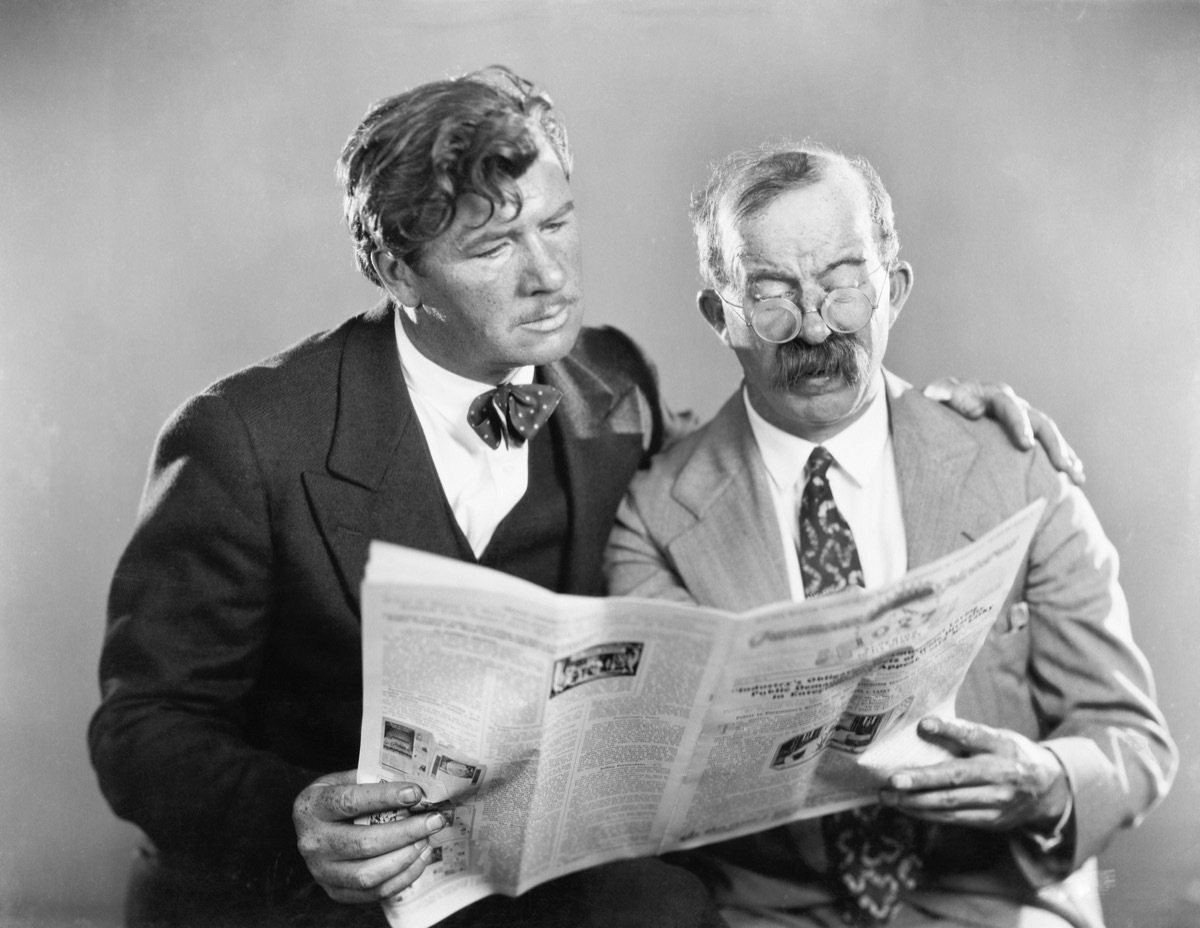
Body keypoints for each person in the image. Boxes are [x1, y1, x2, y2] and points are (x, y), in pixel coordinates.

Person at [88, 67, 1084, 928]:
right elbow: (143, 729)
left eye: (558, 222)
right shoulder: (243, 438)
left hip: (527, 884)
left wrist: (927, 414)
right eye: (492, 249)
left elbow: (731, 461)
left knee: (670, 906)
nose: (551, 274)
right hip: (314, 897)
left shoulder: (612, 381)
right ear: (394, 268)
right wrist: (296, 815)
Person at [604, 141, 1177, 927]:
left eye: (842, 286)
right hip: (773, 916)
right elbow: (664, 778)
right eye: (770, 294)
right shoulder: (655, 518)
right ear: (719, 315)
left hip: (999, 902)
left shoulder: (1015, 468)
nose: (813, 327)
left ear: (892, 289)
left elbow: (1132, 741)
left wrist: (1044, 778)